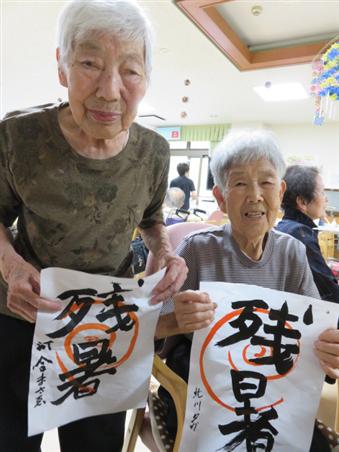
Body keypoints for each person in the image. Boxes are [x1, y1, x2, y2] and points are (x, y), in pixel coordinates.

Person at [0, 1, 187, 451]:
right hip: (24, 315)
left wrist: (163, 250)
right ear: (62, 67)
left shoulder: (154, 153)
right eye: (89, 64)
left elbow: (151, 218)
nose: (109, 90)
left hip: (106, 325)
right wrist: (10, 266)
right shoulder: (17, 137)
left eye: (130, 70)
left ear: (145, 79)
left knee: (95, 444)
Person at [158, 130, 339, 451]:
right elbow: (147, 332)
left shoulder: (292, 252)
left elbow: (314, 335)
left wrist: (327, 348)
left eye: (266, 182)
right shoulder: (196, 250)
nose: (255, 195)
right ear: (220, 198)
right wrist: (177, 323)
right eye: (240, 183)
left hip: (272, 396)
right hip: (205, 396)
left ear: (280, 191)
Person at [276, 165, 339, 304]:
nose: (326, 199)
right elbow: (330, 292)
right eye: (322, 192)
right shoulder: (300, 235)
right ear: (302, 202)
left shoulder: (285, 227)